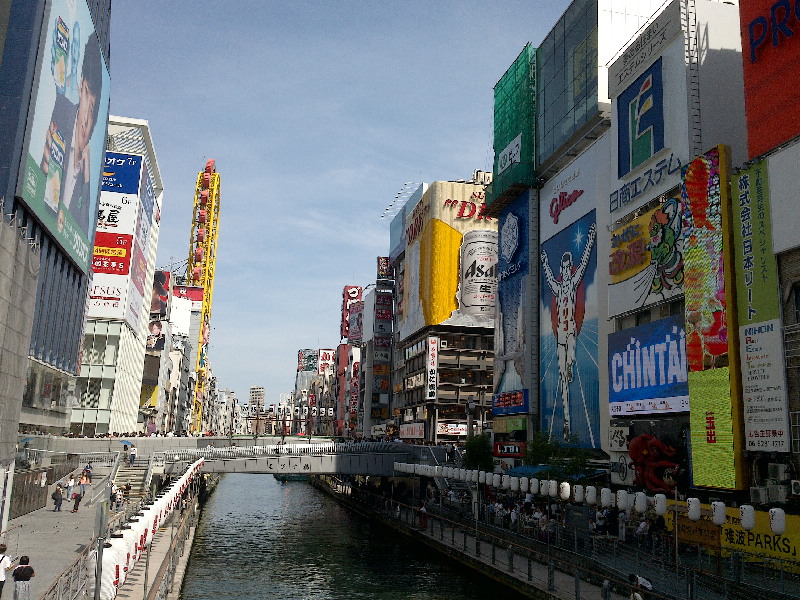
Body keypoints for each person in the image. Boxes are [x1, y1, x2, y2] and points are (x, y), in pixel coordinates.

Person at [39, 32, 104, 233]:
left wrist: (87, 179)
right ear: (80, 85)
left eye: (93, 109)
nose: (86, 119)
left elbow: (83, 232)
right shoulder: (60, 112)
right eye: (85, 94)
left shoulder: (86, 172)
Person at [540, 223, 596, 441]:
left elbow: (585, 262)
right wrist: (545, 262)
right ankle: (566, 422)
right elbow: (548, 277)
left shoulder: (572, 284)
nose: (564, 270)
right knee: (562, 376)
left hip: (570, 330)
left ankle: (570, 366)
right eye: (562, 267)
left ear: (569, 267)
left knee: (570, 361)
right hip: (559, 335)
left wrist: (590, 239)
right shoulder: (557, 287)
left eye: (566, 267)